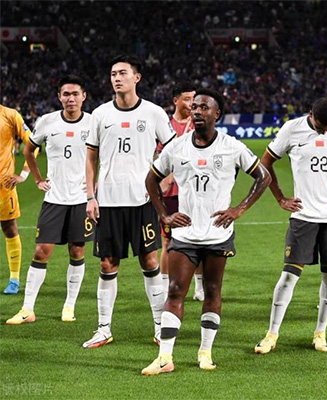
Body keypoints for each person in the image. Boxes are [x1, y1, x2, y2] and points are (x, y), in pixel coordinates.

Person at [142, 89, 271, 374]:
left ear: (217, 114)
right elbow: (151, 179)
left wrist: (239, 209)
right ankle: (165, 357)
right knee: (175, 290)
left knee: (212, 290)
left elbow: (263, 176)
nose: (197, 111)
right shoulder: (176, 147)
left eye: (204, 107)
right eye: (195, 106)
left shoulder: (231, 146)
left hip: (218, 234)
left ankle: (205, 351)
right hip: (185, 234)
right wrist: (164, 214)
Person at [254, 97, 327, 354]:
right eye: (320, 126)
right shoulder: (291, 129)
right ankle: (271, 334)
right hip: (303, 216)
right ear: (311, 115)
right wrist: (280, 197)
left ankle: (320, 333)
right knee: (288, 276)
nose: (325, 131)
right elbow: (265, 163)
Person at [82, 55, 176, 348]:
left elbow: (173, 150)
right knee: (107, 264)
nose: (117, 78)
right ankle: (103, 329)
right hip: (108, 201)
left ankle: (160, 326)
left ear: (137, 77)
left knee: (150, 261)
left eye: (122, 73)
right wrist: (90, 196)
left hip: (142, 201)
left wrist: (163, 182)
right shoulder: (100, 114)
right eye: (113, 74)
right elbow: (91, 157)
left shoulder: (153, 112)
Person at [6, 75, 94, 325]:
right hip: (54, 198)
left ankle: (69, 305)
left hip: (80, 199)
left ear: (83, 96)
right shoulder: (47, 121)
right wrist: (36, 179)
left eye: (75, 94)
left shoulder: (93, 122)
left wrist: (95, 184)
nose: (71, 98)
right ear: (59, 97)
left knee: (77, 251)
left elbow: (103, 155)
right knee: (41, 251)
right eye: (66, 94)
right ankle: (27, 309)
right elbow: (29, 149)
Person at [156, 83, 205, 301]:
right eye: (187, 99)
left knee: (199, 239)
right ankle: (164, 287)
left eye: (194, 99)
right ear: (176, 101)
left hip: (194, 191)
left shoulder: (199, 124)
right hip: (169, 194)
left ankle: (199, 287)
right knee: (168, 241)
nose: (192, 103)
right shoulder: (164, 125)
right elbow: (156, 156)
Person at [0, 104, 33, 294]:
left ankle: (14, 279)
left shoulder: (10, 115)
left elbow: (32, 144)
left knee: (9, 228)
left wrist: (24, 174)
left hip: (4, 187)